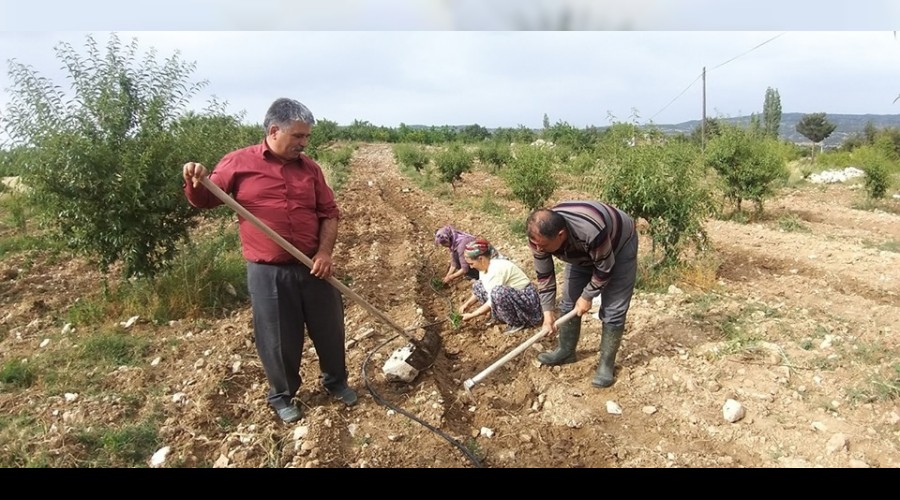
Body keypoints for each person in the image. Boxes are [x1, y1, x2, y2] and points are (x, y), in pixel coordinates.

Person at [182, 97, 357, 424]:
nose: (304, 144)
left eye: (307, 137)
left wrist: (324, 253)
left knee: (330, 329)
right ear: (274, 131)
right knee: (278, 339)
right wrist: (196, 180)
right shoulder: (238, 163)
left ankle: (336, 383)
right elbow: (207, 198)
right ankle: (282, 395)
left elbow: (329, 213)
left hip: (312, 267)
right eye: (298, 137)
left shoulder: (311, 169)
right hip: (268, 272)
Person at [525, 201, 638, 388]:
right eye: (535, 245)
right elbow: (544, 276)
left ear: (560, 235)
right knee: (569, 303)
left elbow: (605, 268)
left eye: (542, 246)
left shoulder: (591, 231)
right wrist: (547, 313)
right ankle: (566, 351)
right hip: (582, 251)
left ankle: (606, 365)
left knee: (614, 309)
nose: (538, 249)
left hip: (619, 247)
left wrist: (587, 296)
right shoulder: (539, 238)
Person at [458, 238, 543, 334]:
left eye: (471, 263)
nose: (471, 267)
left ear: (481, 259)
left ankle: (517, 322)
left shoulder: (496, 269)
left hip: (527, 303)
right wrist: (467, 304)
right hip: (514, 296)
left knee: (498, 292)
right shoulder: (484, 267)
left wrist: (473, 315)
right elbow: (484, 287)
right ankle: (500, 316)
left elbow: (491, 301)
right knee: (478, 285)